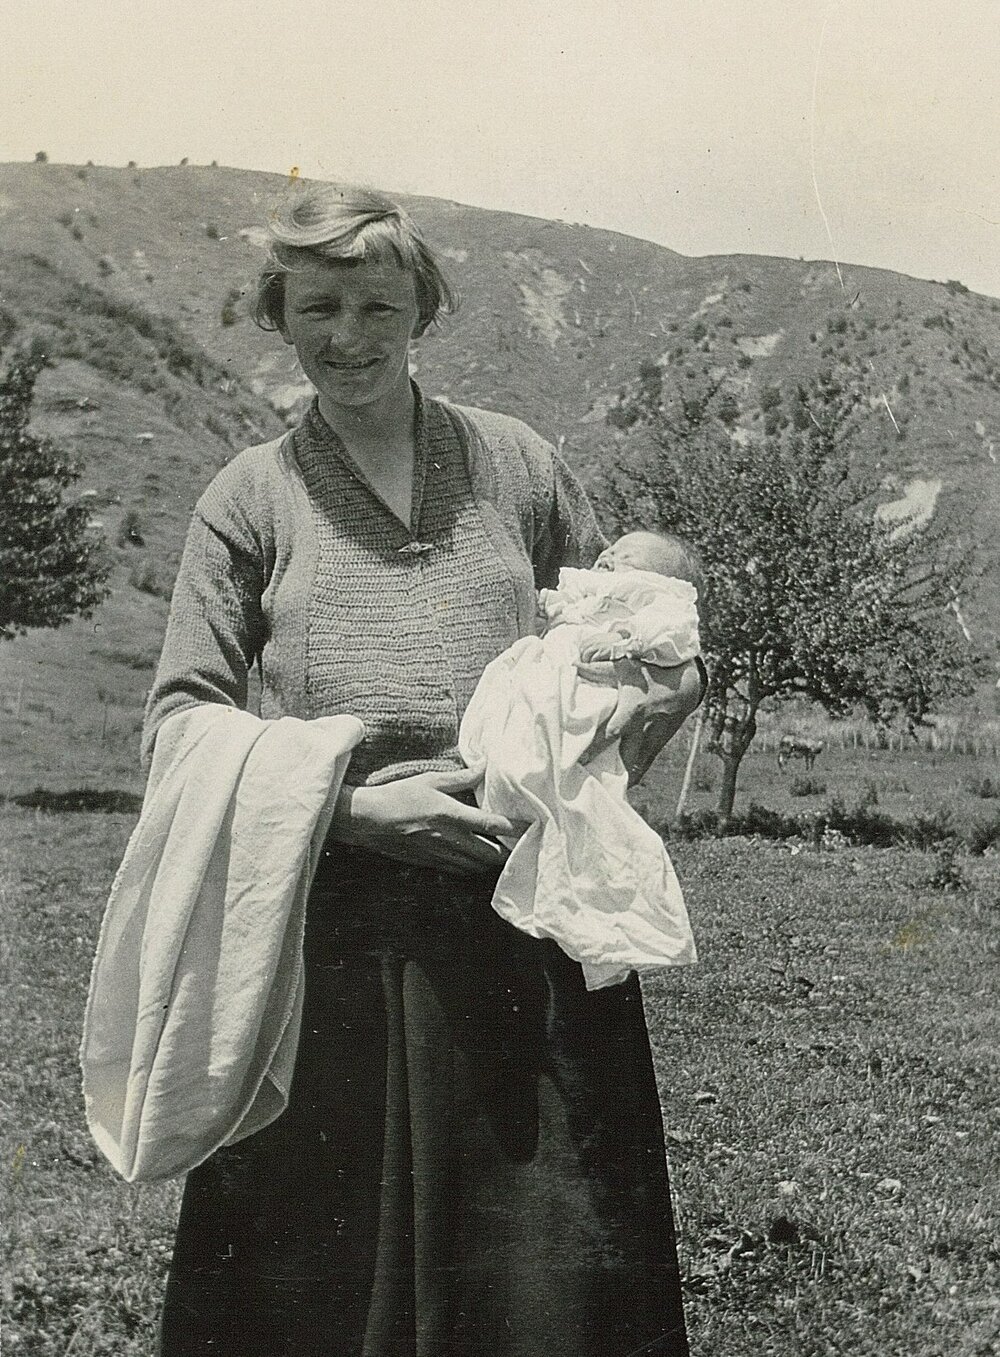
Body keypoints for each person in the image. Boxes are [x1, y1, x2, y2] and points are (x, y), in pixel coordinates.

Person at [142, 181, 705, 1357]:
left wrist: (647, 696)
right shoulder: (251, 498)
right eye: (318, 306)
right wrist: (347, 812)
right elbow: (181, 720)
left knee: (541, 1282)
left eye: (377, 305)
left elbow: (614, 632)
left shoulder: (516, 466)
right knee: (320, 1278)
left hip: (523, 921)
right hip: (336, 940)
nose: (347, 337)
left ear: (423, 308)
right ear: (279, 313)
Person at [460, 530, 704, 991]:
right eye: (608, 552)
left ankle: (563, 864)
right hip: (544, 670)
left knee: (571, 770)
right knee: (515, 739)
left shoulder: (659, 599)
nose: (608, 555)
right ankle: (524, 811)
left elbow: (676, 639)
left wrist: (630, 646)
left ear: (665, 579)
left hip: (593, 682)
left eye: (627, 555)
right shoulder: (585, 587)